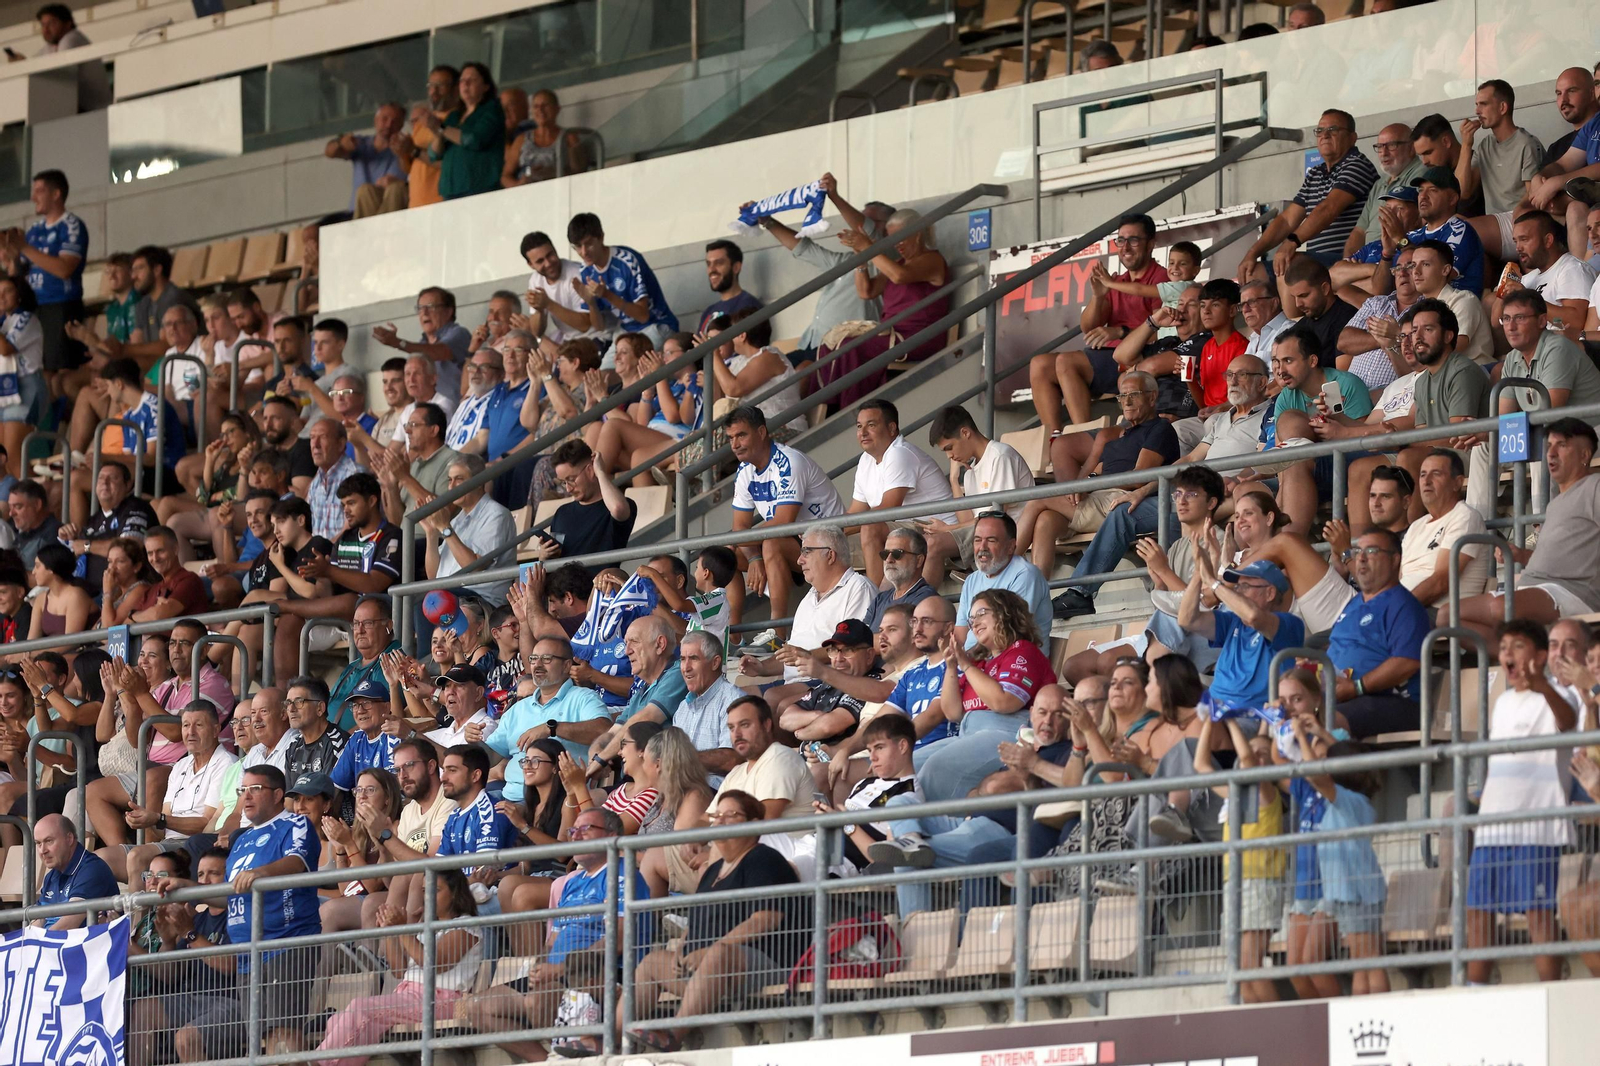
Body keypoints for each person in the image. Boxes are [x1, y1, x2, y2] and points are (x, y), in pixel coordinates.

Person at [454, 806, 642, 1060]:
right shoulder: (572, 883)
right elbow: (553, 938)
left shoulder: (623, 873)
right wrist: (539, 967)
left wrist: (561, 968)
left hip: (596, 972)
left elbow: (619, 940)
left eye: (586, 829)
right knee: (475, 1008)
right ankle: (545, 1061)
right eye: (573, 830)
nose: (575, 836)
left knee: (536, 1002)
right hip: (557, 976)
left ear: (610, 836)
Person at [632, 790, 803, 1053]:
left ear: (754, 824)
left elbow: (766, 919)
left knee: (719, 955)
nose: (720, 821)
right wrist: (682, 949)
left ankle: (672, 1035)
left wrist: (709, 952)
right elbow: (697, 919)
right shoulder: (712, 869)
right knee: (651, 962)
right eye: (717, 816)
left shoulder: (764, 859)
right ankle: (612, 1039)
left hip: (762, 966)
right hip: (706, 972)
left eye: (731, 815)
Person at [173, 765, 321, 1063]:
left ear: (278, 795)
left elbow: (297, 861)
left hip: (284, 944)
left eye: (256, 789)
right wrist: (185, 886)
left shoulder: (295, 825)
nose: (247, 796)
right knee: (266, 1039)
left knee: (285, 1034)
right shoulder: (240, 841)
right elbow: (230, 895)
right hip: (247, 953)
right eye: (243, 790)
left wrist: (260, 873)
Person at [1463, 619, 1577, 985]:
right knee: (1478, 912)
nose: (1507, 653)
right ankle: (1474, 995)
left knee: (1539, 914)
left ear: (1541, 656)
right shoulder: (1504, 702)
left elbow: (1568, 720)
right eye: (1504, 646)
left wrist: (1543, 685)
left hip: (1537, 827)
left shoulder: (1561, 693)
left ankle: (1551, 994)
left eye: (1518, 645)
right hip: (1492, 827)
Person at [1017, 371, 1180, 576]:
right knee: (1045, 521)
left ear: (1152, 396)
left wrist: (1092, 485)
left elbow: (1139, 479)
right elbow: (1096, 472)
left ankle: (1005, 569)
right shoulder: (1121, 435)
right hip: (1098, 497)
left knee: (1037, 500)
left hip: (1121, 500)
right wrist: (1085, 485)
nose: (1126, 402)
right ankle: (1036, 594)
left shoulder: (1159, 429)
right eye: (1122, 397)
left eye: (1134, 395)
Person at [314, 868, 482, 1066]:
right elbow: (399, 969)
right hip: (411, 996)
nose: (427, 896)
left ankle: (317, 1064)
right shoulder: (427, 925)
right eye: (424, 890)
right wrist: (391, 930)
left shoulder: (466, 925)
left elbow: (434, 964)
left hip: (448, 1001)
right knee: (337, 1020)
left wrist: (404, 929)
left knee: (361, 1008)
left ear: (455, 892)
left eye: (435, 890)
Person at [1277, 712, 1388, 999]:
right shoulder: (1350, 800)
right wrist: (1322, 734)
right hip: (1348, 892)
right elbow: (1342, 758)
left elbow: (1316, 774)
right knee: (1361, 963)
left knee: (1368, 961)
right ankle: (1360, 1013)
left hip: (1357, 892)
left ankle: (1379, 1013)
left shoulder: (1349, 801)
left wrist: (1301, 737)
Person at [1459, 418, 1600, 641]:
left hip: (1571, 592)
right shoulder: (1555, 504)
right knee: (1447, 616)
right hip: (1534, 586)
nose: (1551, 454)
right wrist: (1520, 555)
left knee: (1498, 608)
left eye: (1561, 445)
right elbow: (1561, 558)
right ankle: (1511, 657)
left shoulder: (1595, 487)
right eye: (1548, 446)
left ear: (1584, 455)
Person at [1031, 213, 1169, 431]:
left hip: (1139, 356)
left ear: (1151, 244)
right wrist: (1098, 296)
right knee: (1039, 365)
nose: (1126, 247)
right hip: (1109, 358)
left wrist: (1121, 332)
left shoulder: (1160, 278)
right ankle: (1053, 439)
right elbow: (1088, 327)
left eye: (1134, 240)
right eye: (1121, 240)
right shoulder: (1117, 281)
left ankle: (1082, 435)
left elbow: (1162, 330)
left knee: (1067, 361)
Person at [1467, 290, 1600, 516]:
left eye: (1519, 318)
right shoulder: (1511, 359)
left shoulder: (1557, 348)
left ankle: (1543, 527)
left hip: (1589, 431)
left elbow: (1551, 413)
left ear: (1541, 321)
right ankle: (1477, 533)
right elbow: (1504, 419)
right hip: (1548, 432)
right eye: (1506, 319)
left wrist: (1497, 429)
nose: (1510, 326)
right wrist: (1483, 432)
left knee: (1542, 441)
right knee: (1485, 449)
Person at [919, 588, 1055, 802]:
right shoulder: (980, 663)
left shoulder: (1023, 651)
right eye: (971, 617)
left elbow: (1004, 702)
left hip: (1010, 733)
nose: (974, 622)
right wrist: (952, 666)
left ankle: (940, 828)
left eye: (982, 613)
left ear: (1004, 613)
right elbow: (953, 712)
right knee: (911, 765)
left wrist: (965, 663)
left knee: (938, 769)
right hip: (969, 733)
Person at [751, 173, 889, 369]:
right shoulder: (846, 260)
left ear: (888, 229)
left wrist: (835, 196)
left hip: (842, 352)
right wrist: (767, 221)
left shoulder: (886, 263)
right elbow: (803, 248)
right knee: (762, 371)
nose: (857, 227)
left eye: (868, 221)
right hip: (813, 344)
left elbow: (867, 230)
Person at [727, 406, 845, 636]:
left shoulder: (789, 461)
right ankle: (733, 635)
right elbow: (739, 526)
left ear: (761, 432)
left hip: (830, 541)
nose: (735, 444)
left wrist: (756, 550)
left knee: (770, 542)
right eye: (731, 438)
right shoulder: (744, 471)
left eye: (741, 435)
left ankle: (777, 633)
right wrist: (753, 558)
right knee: (726, 557)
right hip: (794, 541)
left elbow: (783, 521)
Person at [821, 208, 949, 407]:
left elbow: (900, 276)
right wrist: (861, 259)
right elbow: (866, 292)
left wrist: (869, 248)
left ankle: (850, 409)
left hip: (917, 336)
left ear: (917, 234)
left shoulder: (932, 259)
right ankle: (830, 407)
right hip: (890, 333)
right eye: (891, 239)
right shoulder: (896, 264)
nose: (896, 245)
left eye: (900, 238)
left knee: (851, 348)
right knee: (831, 345)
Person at [1237, 109, 1378, 276]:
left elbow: (1328, 208)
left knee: (1292, 264)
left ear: (1352, 138)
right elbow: (1287, 220)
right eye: (1320, 131)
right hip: (1317, 262)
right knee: (1254, 272)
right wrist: (1252, 253)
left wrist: (1292, 242)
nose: (1325, 135)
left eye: (1333, 130)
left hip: (1348, 260)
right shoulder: (1315, 173)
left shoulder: (1357, 164)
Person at [1326, 529, 1430, 737]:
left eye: (1372, 551)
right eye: (1358, 551)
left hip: (1392, 702)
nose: (1361, 558)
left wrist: (1356, 687)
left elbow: (1406, 662)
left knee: (1323, 722)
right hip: (1343, 697)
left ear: (1394, 560)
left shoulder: (1403, 605)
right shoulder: (1354, 604)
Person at [919, 404, 1035, 585]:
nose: (949, 456)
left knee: (933, 543)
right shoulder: (971, 470)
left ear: (965, 433)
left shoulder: (1000, 456)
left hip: (1007, 532)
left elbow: (995, 517)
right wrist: (954, 481)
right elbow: (966, 518)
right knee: (915, 543)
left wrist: (947, 529)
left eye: (950, 447)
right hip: (983, 533)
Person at [844, 399, 954, 586]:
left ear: (892, 428)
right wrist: (826, 530)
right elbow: (855, 511)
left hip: (937, 529)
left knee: (870, 527)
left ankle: (873, 599)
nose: (862, 433)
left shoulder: (899, 453)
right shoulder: (865, 460)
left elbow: (889, 509)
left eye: (871, 425)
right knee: (826, 542)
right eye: (859, 426)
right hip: (910, 529)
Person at [569, 211, 680, 347]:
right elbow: (599, 327)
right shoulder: (585, 270)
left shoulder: (627, 260)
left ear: (601, 238)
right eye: (578, 247)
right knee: (605, 368)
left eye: (589, 244)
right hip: (626, 330)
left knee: (632, 363)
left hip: (657, 324)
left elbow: (643, 316)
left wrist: (607, 295)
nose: (583, 252)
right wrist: (591, 303)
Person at [422, 453, 517, 605]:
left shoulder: (496, 514)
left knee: (427, 602)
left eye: (459, 479)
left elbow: (475, 568)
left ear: (479, 482)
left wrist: (445, 528)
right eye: (449, 480)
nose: (452, 486)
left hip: (482, 600)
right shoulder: (455, 521)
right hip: (452, 595)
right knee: (416, 600)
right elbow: (433, 577)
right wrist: (431, 534)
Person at [1494, 210, 1596, 340]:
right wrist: (1503, 286)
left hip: (1560, 351)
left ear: (1548, 240)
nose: (1518, 248)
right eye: (1516, 241)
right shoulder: (1528, 279)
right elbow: (1496, 323)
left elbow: (1576, 322)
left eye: (1524, 239)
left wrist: (1530, 299)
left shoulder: (1572, 269)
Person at [530, 440, 636, 564]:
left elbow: (618, 508)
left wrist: (600, 472)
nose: (568, 489)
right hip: (563, 581)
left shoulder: (620, 505)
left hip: (599, 582)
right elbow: (557, 558)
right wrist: (544, 556)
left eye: (571, 480)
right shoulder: (562, 512)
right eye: (563, 483)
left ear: (590, 470)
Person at [373, 289, 472, 406]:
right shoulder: (421, 343)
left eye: (431, 307)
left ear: (448, 311)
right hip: (429, 415)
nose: (424, 313)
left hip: (455, 414)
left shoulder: (459, 333)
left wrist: (398, 343)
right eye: (420, 308)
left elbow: (438, 351)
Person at [1345, 122, 1427, 258]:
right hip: (1367, 254)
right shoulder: (1379, 183)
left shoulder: (1421, 173)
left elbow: (1412, 224)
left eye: (1391, 145)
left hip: (1395, 252)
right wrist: (1348, 259)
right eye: (1379, 146)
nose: (1383, 152)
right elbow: (1359, 231)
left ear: (1412, 147)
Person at [32, 813, 118, 930]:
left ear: (69, 839)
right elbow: (38, 923)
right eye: (38, 843)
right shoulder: (51, 876)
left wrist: (37, 943)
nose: (42, 850)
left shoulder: (91, 869)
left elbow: (67, 925)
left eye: (49, 841)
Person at [327, 104, 410, 217]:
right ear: (375, 120)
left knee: (383, 189)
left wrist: (403, 153)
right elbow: (329, 152)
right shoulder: (361, 143)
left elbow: (400, 181)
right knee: (365, 191)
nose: (389, 125)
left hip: (389, 207)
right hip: (357, 211)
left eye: (395, 121)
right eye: (384, 119)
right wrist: (341, 143)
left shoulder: (404, 149)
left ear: (401, 126)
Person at [864, 525, 937, 629]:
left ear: (919, 560)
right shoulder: (879, 599)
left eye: (897, 553)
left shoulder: (926, 599)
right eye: (885, 554)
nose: (889, 560)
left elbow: (900, 639)